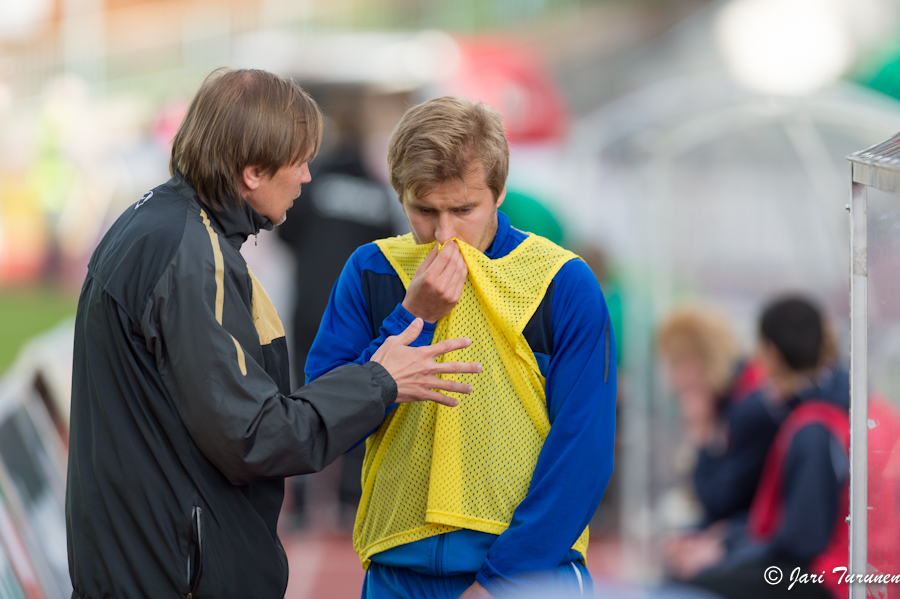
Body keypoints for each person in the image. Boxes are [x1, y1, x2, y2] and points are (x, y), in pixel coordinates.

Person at [65, 68, 481, 599]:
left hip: (146, 563)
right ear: (253, 172)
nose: (308, 177)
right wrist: (380, 381)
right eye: (300, 161)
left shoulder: (159, 223)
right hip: (173, 576)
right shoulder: (190, 257)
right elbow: (255, 435)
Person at [306, 96, 617, 598]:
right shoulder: (370, 270)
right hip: (397, 570)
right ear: (399, 193)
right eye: (424, 210)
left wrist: (502, 583)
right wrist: (412, 318)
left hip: (529, 577)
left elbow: (584, 450)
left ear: (499, 193)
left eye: (464, 209)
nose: (444, 236)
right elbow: (322, 422)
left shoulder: (564, 282)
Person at [683, 297, 850, 599]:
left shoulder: (811, 426)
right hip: (821, 565)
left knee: (693, 585)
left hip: (826, 577)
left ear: (771, 353)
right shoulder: (821, 409)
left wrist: (728, 548)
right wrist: (730, 538)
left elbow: (802, 540)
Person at [656, 306, 775, 580]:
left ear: (694, 364)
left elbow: (719, 501)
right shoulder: (742, 395)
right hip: (746, 530)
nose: (670, 380)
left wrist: (700, 436)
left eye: (674, 364)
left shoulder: (749, 408)